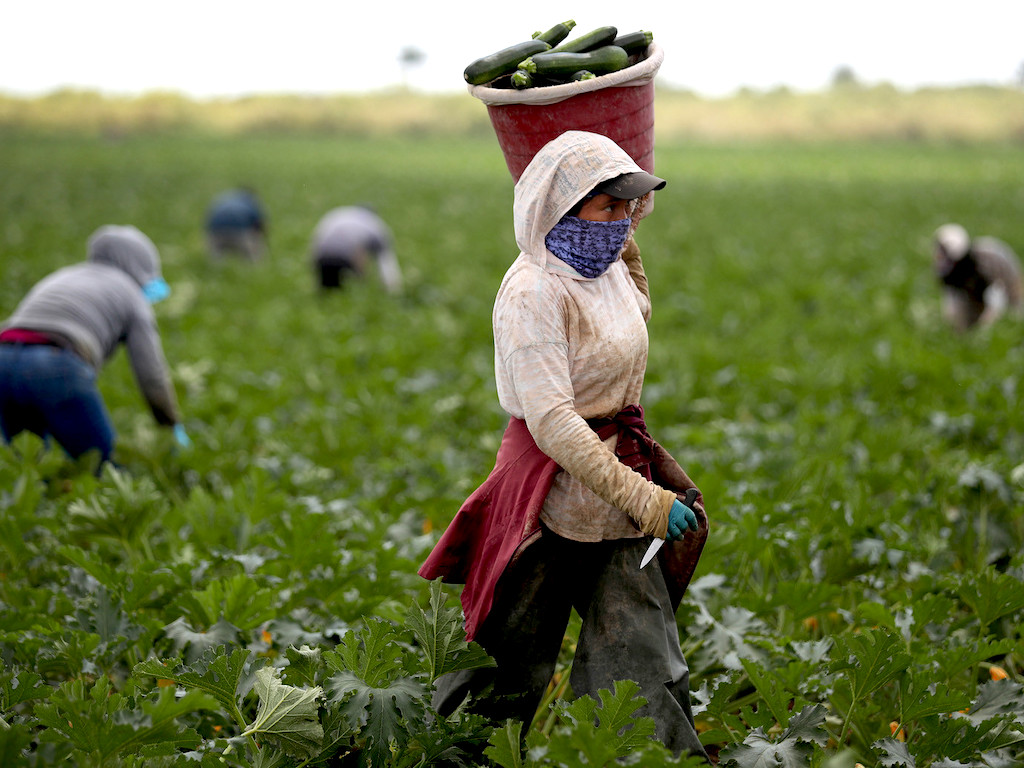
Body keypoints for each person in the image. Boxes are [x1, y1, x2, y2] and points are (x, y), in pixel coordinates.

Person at [419, 131, 710, 761]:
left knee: (642, 649)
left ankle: (642, 756)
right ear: (560, 209)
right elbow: (552, 420)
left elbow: (638, 313)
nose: (621, 219)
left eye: (627, 207)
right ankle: (454, 754)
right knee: (508, 655)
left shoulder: (602, 267)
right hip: (549, 487)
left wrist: (627, 242)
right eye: (607, 206)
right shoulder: (533, 292)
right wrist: (644, 498)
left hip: (614, 470)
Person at [0, 225, 190, 466]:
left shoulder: (65, 274)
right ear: (141, 266)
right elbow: (151, 375)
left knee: (27, 470)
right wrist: (170, 424)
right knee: (104, 470)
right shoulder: (131, 293)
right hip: (55, 364)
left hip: (3, 359)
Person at [932, 223, 1023, 332]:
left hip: (1002, 285)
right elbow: (952, 293)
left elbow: (1000, 288)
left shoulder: (985, 259)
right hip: (976, 293)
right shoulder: (945, 266)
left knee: (1012, 313)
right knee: (961, 322)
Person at [310, 205, 402, 294]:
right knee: (353, 287)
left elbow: (317, 238)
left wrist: (312, 263)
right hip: (345, 258)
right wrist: (393, 287)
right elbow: (385, 261)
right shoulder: (374, 224)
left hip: (323, 257)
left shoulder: (339, 214)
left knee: (327, 289)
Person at [205, 188, 267, 260]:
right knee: (254, 255)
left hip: (216, 234)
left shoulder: (222, 199)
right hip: (240, 234)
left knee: (217, 259)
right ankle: (255, 267)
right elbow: (260, 224)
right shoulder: (250, 202)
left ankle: (216, 266)